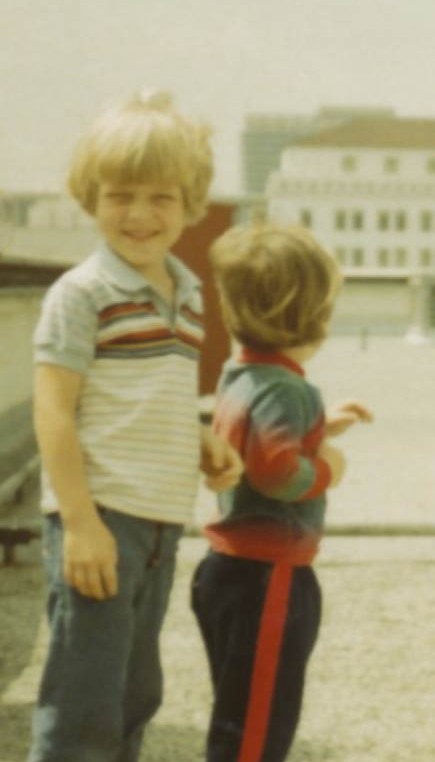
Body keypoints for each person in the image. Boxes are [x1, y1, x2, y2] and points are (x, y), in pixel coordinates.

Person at [31, 89, 244, 761]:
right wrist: (82, 522)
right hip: (101, 518)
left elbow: (154, 394)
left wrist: (201, 439)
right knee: (84, 700)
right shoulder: (84, 292)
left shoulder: (184, 293)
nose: (141, 214)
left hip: (158, 520)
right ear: (90, 197)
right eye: (121, 195)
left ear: (190, 206)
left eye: (162, 198)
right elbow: (54, 410)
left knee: (135, 691)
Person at [194, 223, 372, 762]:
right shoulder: (288, 388)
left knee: (240, 711)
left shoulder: (240, 373)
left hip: (228, 570)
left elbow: (256, 441)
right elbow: (275, 471)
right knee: (255, 732)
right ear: (315, 318)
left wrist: (318, 427)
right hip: (269, 576)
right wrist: (325, 467)